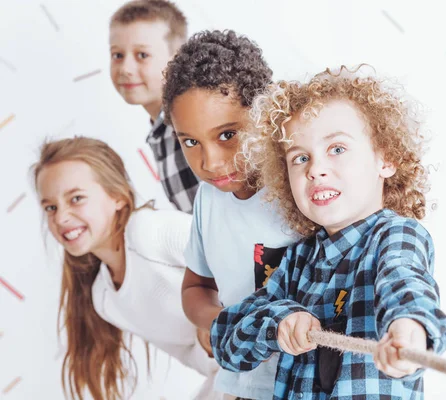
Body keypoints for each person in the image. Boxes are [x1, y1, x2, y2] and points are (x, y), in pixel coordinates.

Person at [211, 68, 446, 399]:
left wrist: (410, 328)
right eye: (300, 158)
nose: (315, 169)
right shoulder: (297, 260)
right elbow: (227, 343)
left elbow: (404, 281)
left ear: (386, 159)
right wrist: (279, 320)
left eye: (337, 149)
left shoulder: (395, 236)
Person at [162, 30, 298, 399]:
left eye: (227, 135)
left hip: (308, 385)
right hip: (242, 387)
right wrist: (218, 321)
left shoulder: (302, 189)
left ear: (265, 113)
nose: (209, 162)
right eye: (190, 141)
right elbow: (196, 287)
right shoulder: (209, 199)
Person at [33, 137, 220, 400]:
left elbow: (252, 266)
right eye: (50, 207)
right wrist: (207, 346)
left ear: (117, 197)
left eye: (76, 198)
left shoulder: (151, 233)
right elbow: (192, 357)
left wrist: (213, 319)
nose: (60, 217)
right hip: (231, 373)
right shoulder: (104, 298)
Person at [109, 0, 200, 213]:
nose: (126, 68)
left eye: (142, 55)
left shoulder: (193, 122)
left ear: (177, 58)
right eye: (117, 55)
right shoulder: (161, 130)